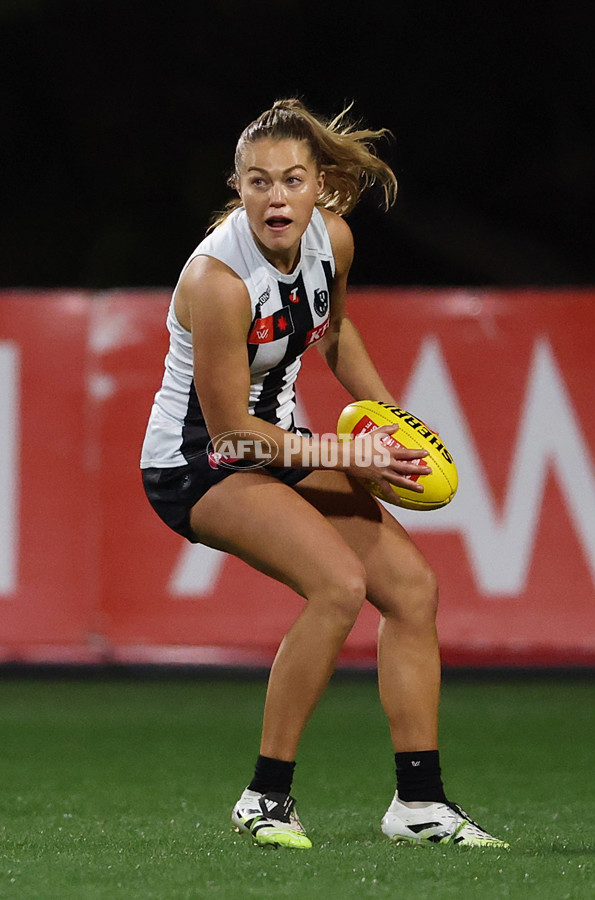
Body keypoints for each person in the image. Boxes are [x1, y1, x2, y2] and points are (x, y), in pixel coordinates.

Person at [140, 99, 508, 849]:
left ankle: (420, 804)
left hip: (285, 442)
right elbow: (234, 436)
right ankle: (264, 798)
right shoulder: (218, 281)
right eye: (258, 182)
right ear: (237, 188)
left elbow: (334, 333)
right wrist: (349, 454)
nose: (276, 198)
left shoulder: (330, 241)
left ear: (321, 187)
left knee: (411, 589)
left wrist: (388, 419)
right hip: (198, 462)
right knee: (338, 586)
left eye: (292, 180)